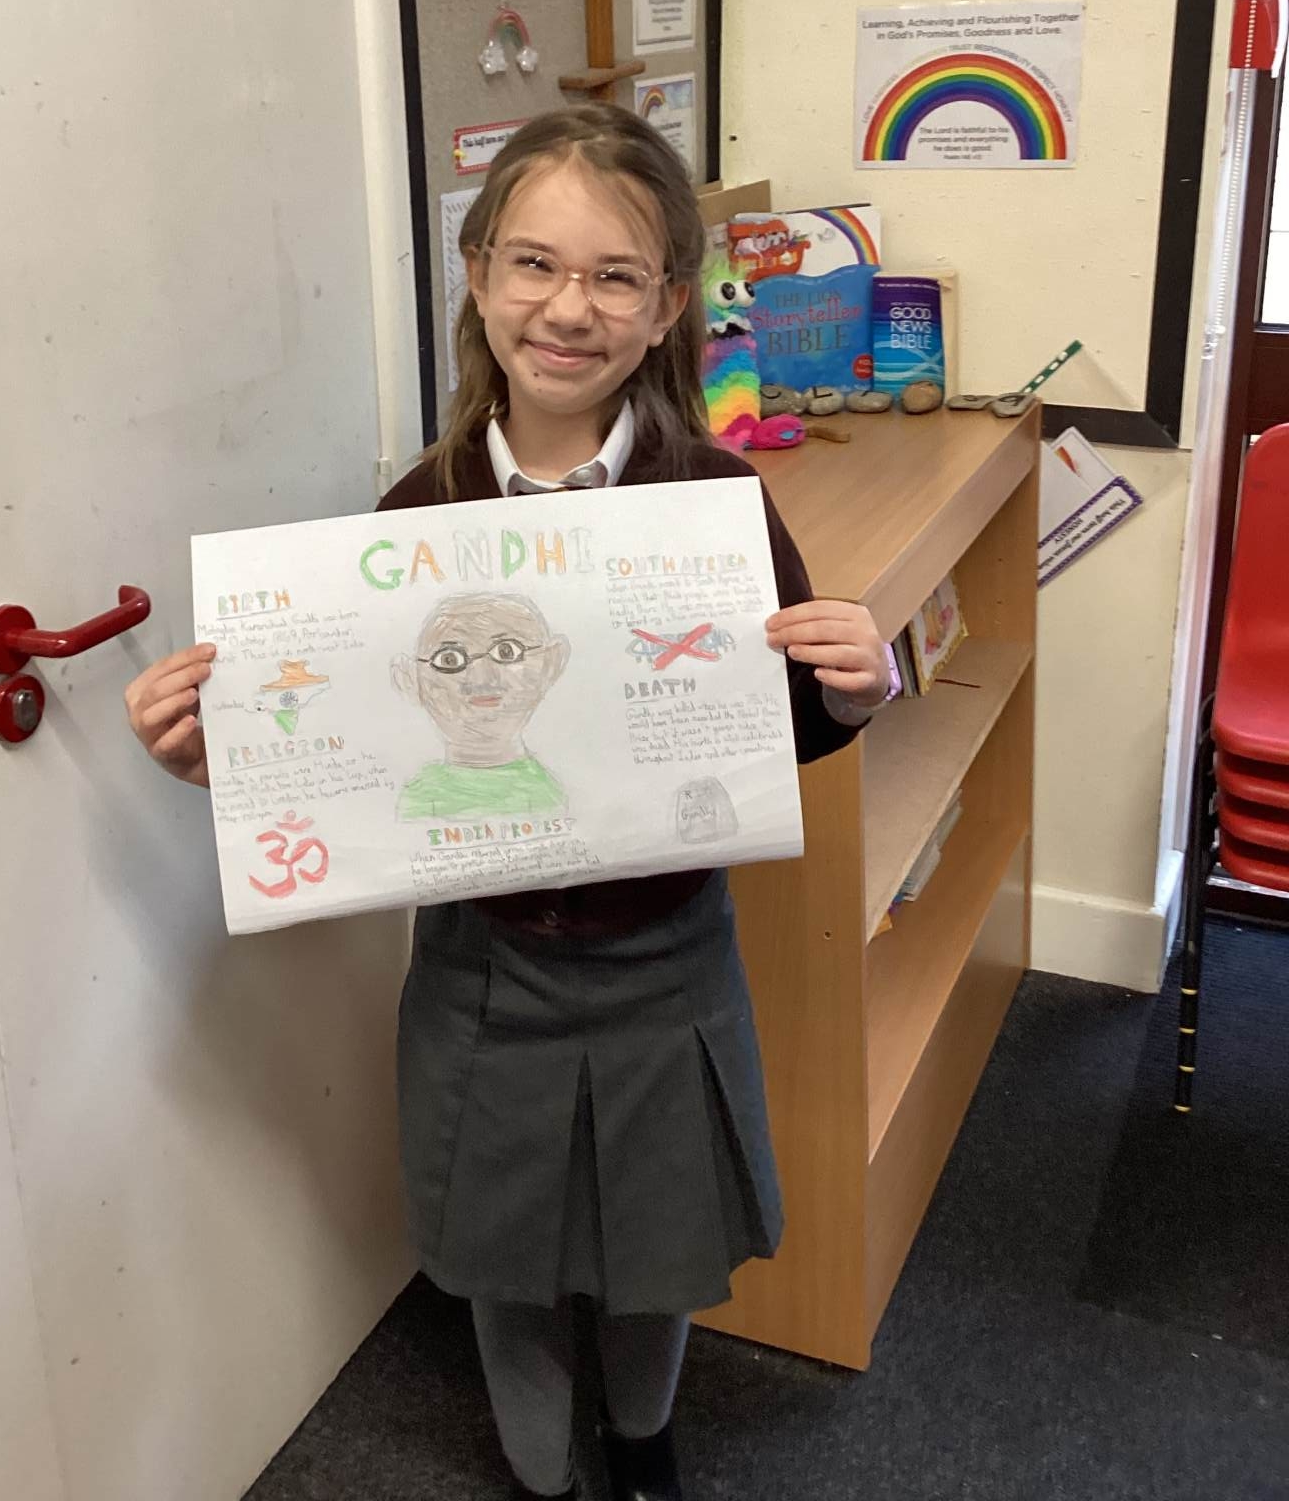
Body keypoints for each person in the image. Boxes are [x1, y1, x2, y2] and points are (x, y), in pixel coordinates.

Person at [124, 106, 891, 1500]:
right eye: (534, 263)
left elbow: (767, 732)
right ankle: (541, 1477)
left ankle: (645, 1448)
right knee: (504, 1252)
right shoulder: (411, 517)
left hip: (671, 954)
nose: (569, 308)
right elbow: (357, 755)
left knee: (661, 1241)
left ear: (668, 306)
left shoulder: (713, 500)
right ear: (478, 276)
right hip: (487, 966)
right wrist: (227, 764)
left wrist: (853, 692)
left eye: (616, 276)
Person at [392, 590, 570, 818]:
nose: (482, 678)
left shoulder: (549, 798)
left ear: (551, 663)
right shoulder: (417, 801)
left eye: (506, 652)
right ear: (410, 680)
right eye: (449, 659)